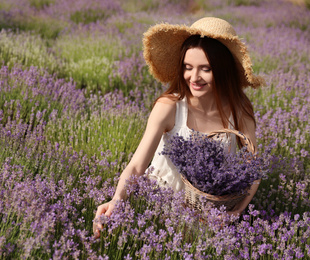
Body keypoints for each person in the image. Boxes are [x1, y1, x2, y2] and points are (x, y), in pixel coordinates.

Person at [93, 17, 265, 238]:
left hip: (209, 219)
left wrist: (237, 211)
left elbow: (254, 169)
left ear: (222, 70)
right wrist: (117, 200)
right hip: (159, 212)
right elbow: (137, 165)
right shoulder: (170, 107)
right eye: (188, 67)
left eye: (206, 69)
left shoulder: (238, 111)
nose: (194, 78)